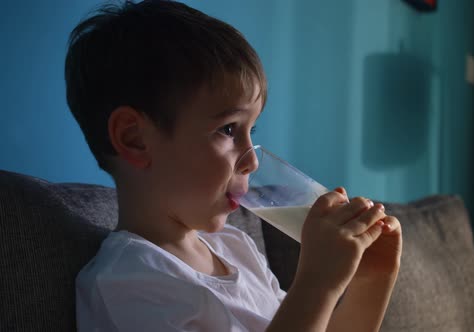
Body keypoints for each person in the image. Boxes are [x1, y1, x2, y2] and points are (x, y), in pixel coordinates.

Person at [68, 1, 403, 331]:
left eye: (251, 130)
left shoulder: (237, 249)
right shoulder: (126, 284)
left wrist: (372, 279)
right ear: (134, 140)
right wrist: (317, 283)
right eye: (228, 129)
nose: (253, 160)